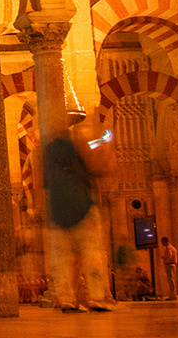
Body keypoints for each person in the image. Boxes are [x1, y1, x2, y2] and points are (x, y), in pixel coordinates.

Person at [42, 119, 119, 312]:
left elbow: (43, 184)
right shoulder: (79, 147)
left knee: (62, 259)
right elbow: (96, 167)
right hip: (82, 208)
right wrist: (106, 148)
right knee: (92, 253)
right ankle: (96, 297)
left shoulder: (48, 154)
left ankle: (67, 299)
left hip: (57, 211)